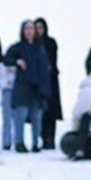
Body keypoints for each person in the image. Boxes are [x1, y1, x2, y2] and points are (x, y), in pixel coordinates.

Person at [3, 19, 51, 153]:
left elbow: (45, 69)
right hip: (23, 85)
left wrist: (45, 89)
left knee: (37, 116)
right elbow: (6, 59)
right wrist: (16, 61)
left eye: (32, 29)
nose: (29, 32)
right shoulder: (18, 47)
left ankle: (36, 143)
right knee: (20, 114)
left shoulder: (40, 48)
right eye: (26, 29)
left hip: (38, 86)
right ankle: (19, 142)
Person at [33, 18, 61, 150]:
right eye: (36, 28)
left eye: (40, 27)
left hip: (51, 80)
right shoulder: (32, 44)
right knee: (40, 111)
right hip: (38, 81)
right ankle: (42, 138)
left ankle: (51, 139)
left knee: (51, 111)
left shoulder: (50, 42)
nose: (38, 30)